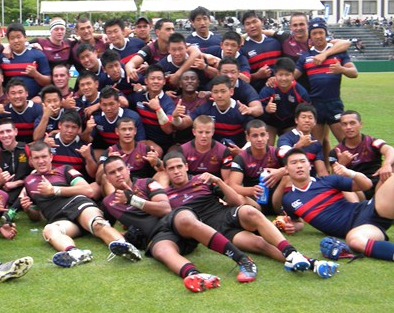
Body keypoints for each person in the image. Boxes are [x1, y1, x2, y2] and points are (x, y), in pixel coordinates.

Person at [163, 152, 339, 278]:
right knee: (259, 244)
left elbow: (236, 201)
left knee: (249, 210)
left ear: (186, 166)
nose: (177, 171)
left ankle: (291, 253)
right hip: (215, 232)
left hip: (226, 213)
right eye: (172, 168)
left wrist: (218, 181)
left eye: (180, 166)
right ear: (166, 171)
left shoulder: (202, 181)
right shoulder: (165, 195)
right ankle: (314, 263)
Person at [103, 156, 259, 290]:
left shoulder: (147, 183)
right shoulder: (109, 202)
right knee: (161, 251)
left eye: (120, 169)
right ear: (107, 177)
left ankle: (243, 260)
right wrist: (123, 238)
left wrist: (132, 200)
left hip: (173, 220)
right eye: (112, 173)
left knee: (185, 219)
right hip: (158, 236)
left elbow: (164, 208)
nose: (118, 174)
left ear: (128, 170)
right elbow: (107, 226)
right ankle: (197, 276)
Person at [21, 141, 142, 267]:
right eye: (36, 158)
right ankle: (75, 254)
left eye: (44, 157)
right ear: (31, 160)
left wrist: (54, 190)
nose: (41, 161)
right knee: (49, 230)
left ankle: (126, 247)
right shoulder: (29, 182)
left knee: (97, 224)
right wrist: (28, 210)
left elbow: (87, 190)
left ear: (51, 157)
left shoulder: (65, 170)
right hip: (60, 218)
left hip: (78, 204)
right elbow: (37, 215)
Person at [275, 148, 394, 262]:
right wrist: (293, 227)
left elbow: (367, 185)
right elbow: (298, 223)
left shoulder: (328, 180)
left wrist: (350, 173)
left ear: (309, 165)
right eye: (294, 163)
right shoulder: (289, 199)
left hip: (372, 208)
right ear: (286, 169)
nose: (299, 166)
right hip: (362, 228)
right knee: (354, 241)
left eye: (302, 161)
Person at [295, 18, 358, 146]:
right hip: (315, 104)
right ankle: (321, 166)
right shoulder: (306, 57)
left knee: (345, 142)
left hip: (333, 104)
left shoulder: (339, 53)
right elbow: (293, 76)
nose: (318, 36)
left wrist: (342, 69)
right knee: (316, 144)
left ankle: (351, 165)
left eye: (321, 33)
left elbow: (354, 73)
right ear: (310, 36)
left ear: (325, 34)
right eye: (314, 33)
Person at [329, 110, 394, 199]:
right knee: (341, 185)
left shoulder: (371, 142)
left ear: (360, 124)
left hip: (379, 184)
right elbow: (334, 181)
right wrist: (342, 164)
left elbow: (390, 149)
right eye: (345, 124)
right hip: (358, 190)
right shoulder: (336, 152)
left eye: (352, 123)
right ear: (341, 127)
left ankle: (381, 201)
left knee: (392, 164)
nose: (348, 127)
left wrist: (387, 164)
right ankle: (358, 211)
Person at [229, 120, 284, 214]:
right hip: (255, 203)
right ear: (248, 137)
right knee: (235, 197)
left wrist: (280, 172)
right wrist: (251, 190)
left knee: (289, 175)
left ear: (267, 136)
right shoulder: (241, 158)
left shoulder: (276, 152)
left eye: (262, 135)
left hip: (277, 200)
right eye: (255, 135)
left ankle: (288, 212)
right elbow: (233, 186)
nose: (259, 139)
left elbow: (296, 166)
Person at [258, 57, 310, 144]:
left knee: (291, 145)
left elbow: (307, 111)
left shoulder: (300, 92)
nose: (283, 78)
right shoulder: (268, 89)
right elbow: (258, 110)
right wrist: (266, 109)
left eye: (287, 75)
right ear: (275, 74)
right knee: (266, 144)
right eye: (280, 75)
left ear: (293, 75)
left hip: (290, 124)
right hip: (271, 123)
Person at [128, 64, 175, 153]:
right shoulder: (138, 96)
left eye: (159, 79)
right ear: (146, 81)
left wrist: (158, 109)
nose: (156, 81)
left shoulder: (168, 103)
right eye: (152, 78)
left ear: (164, 81)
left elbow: (168, 130)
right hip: (141, 140)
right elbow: (125, 105)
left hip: (163, 144)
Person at [0, 23, 51, 99]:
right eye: (12, 38)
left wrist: (36, 74)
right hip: (11, 103)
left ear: (25, 37)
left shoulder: (38, 55)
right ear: (8, 40)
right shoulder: (2, 57)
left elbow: (48, 81)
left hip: (34, 102)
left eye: (18, 37)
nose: (16, 41)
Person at [0, 78, 42, 143]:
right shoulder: (3, 111)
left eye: (20, 92)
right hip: (10, 147)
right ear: (8, 96)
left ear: (26, 93)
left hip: (33, 147)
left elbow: (41, 137)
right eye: (13, 93)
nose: (17, 96)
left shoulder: (38, 109)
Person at [277, 103, 328, 177]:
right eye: (303, 117)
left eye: (310, 118)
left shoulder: (316, 144)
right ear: (296, 120)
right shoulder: (285, 138)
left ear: (315, 122)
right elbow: (284, 155)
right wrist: (299, 145)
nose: (307, 120)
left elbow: (322, 172)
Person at [240, 10, 282, 91]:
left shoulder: (276, 42)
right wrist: (257, 75)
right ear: (244, 27)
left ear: (262, 22)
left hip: (280, 90)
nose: (252, 26)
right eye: (247, 24)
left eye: (255, 22)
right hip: (258, 92)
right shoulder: (243, 48)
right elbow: (241, 77)